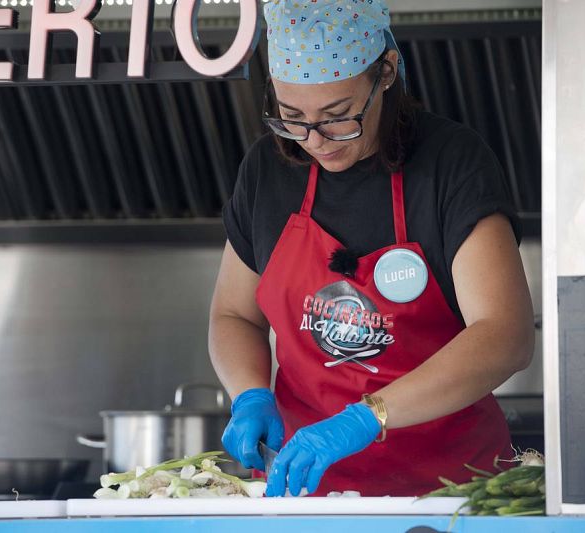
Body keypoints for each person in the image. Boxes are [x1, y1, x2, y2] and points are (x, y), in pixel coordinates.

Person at [209, 0, 534, 498]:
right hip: (303, 491)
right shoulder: (268, 171)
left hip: (446, 493)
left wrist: (367, 417)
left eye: (339, 116)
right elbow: (234, 314)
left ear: (384, 71)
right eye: (292, 117)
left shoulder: (451, 164)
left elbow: (505, 336)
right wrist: (249, 394)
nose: (315, 141)